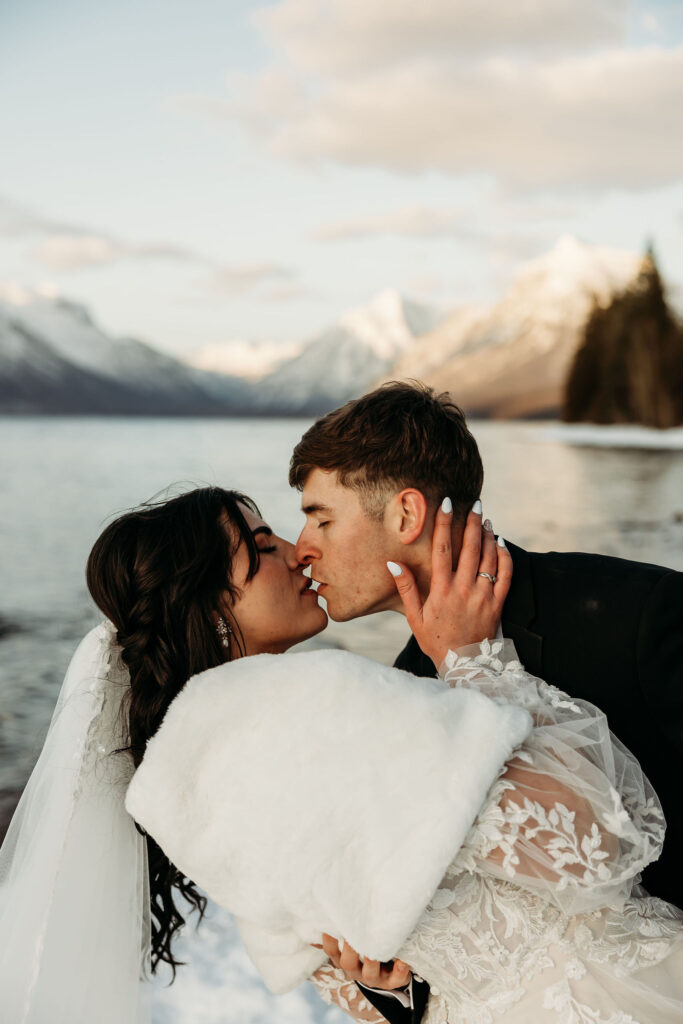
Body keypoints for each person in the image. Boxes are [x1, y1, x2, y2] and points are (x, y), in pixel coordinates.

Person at [1, 486, 681, 1023]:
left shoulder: (180, 785)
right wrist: (474, 662)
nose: (297, 553)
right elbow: (603, 844)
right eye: (262, 547)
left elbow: (358, 989)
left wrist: (388, 982)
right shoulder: (322, 701)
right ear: (213, 604)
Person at [289, 380, 683, 1024]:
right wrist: (391, 987)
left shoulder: (636, 614)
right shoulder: (403, 688)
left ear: (407, 516)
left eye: (321, 517)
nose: (304, 546)